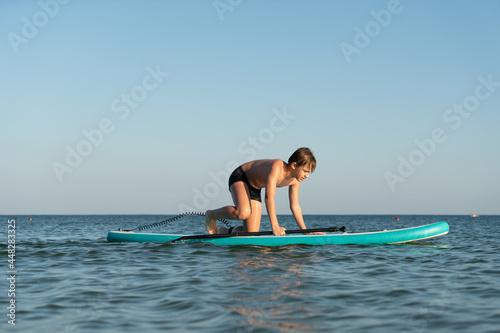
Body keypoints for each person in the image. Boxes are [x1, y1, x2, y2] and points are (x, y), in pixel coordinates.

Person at [205, 147, 316, 236]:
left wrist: (305, 230)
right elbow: (269, 197)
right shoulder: (277, 166)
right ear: (294, 165)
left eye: (309, 172)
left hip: (255, 188)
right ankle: (211, 215)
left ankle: (225, 231)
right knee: (244, 212)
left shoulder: (296, 180)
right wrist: (275, 226)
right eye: (305, 171)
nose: (307, 175)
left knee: (250, 234)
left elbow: (295, 205)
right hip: (241, 177)